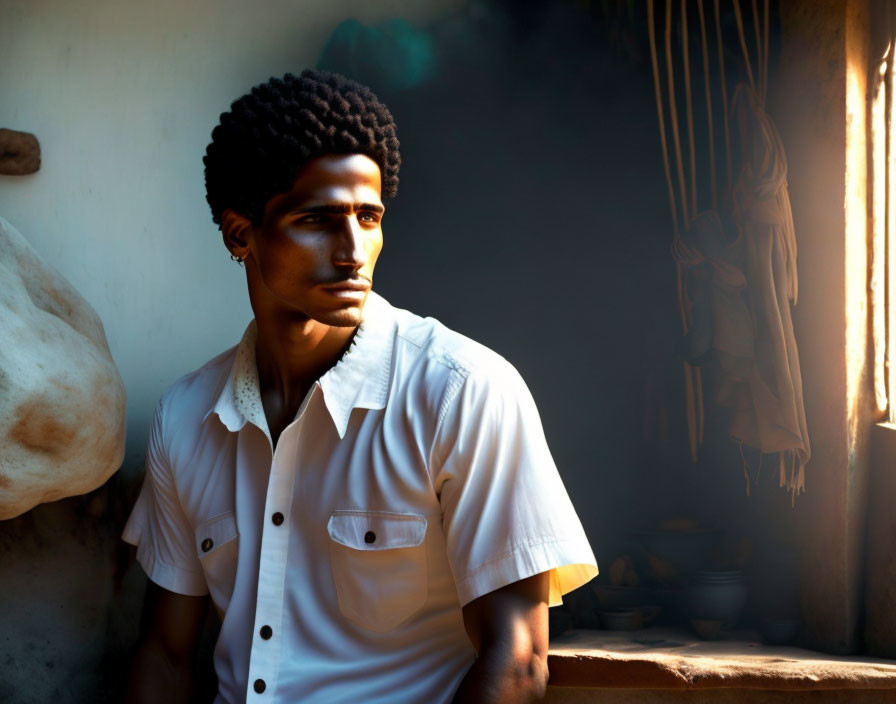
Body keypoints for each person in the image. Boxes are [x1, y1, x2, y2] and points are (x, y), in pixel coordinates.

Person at [123, 69, 598, 704]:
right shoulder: (185, 419)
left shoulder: (462, 393)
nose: (354, 250)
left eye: (369, 216)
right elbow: (164, 657)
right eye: (317, 219)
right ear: (242, 235)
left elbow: (517, 662)